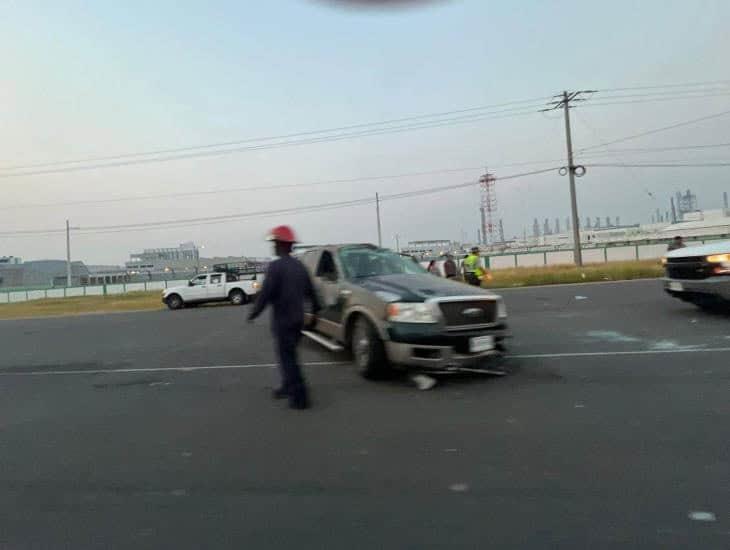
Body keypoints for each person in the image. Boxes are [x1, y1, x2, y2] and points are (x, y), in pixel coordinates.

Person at [247, 225, 320, 410]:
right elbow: (312, 293)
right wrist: (315, 316)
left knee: (288, 359)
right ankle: (287, 386)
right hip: (297, 321)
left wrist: (254, 313)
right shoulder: (299, 266)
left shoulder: (276, 267)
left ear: (281, 245)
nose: (273, 246)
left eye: (275, 243)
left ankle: (300, 397)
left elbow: (266, 295)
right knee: (289, 355)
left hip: (283, 322)